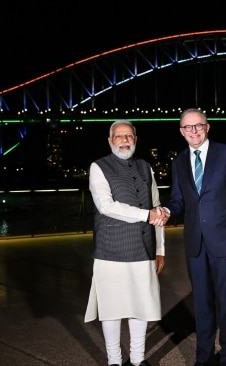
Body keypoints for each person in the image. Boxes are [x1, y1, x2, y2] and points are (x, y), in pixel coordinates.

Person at [164, 108, 226, 366]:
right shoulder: (178, 162)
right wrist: (168, 210)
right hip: (195, 245)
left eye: (198, 125)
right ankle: (203, 360)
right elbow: (179, 200)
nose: (193, 131)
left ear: (207, 127)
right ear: (181, 131)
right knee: (201, 307)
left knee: (225, 306)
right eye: (187, 127)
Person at [84, 119, 170, 366]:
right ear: (110, 141)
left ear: (136, 139)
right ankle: (114, 361)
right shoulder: (98, 167)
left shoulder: (145, 167)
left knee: (140, 305)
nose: (124, 140)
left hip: (143, 249)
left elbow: (156, 206)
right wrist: (146, 215)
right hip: (110, 249)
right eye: (119, 136)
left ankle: (137, 359)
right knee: (111, 309)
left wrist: (160, 249)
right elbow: (105, 206)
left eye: (129, 136)